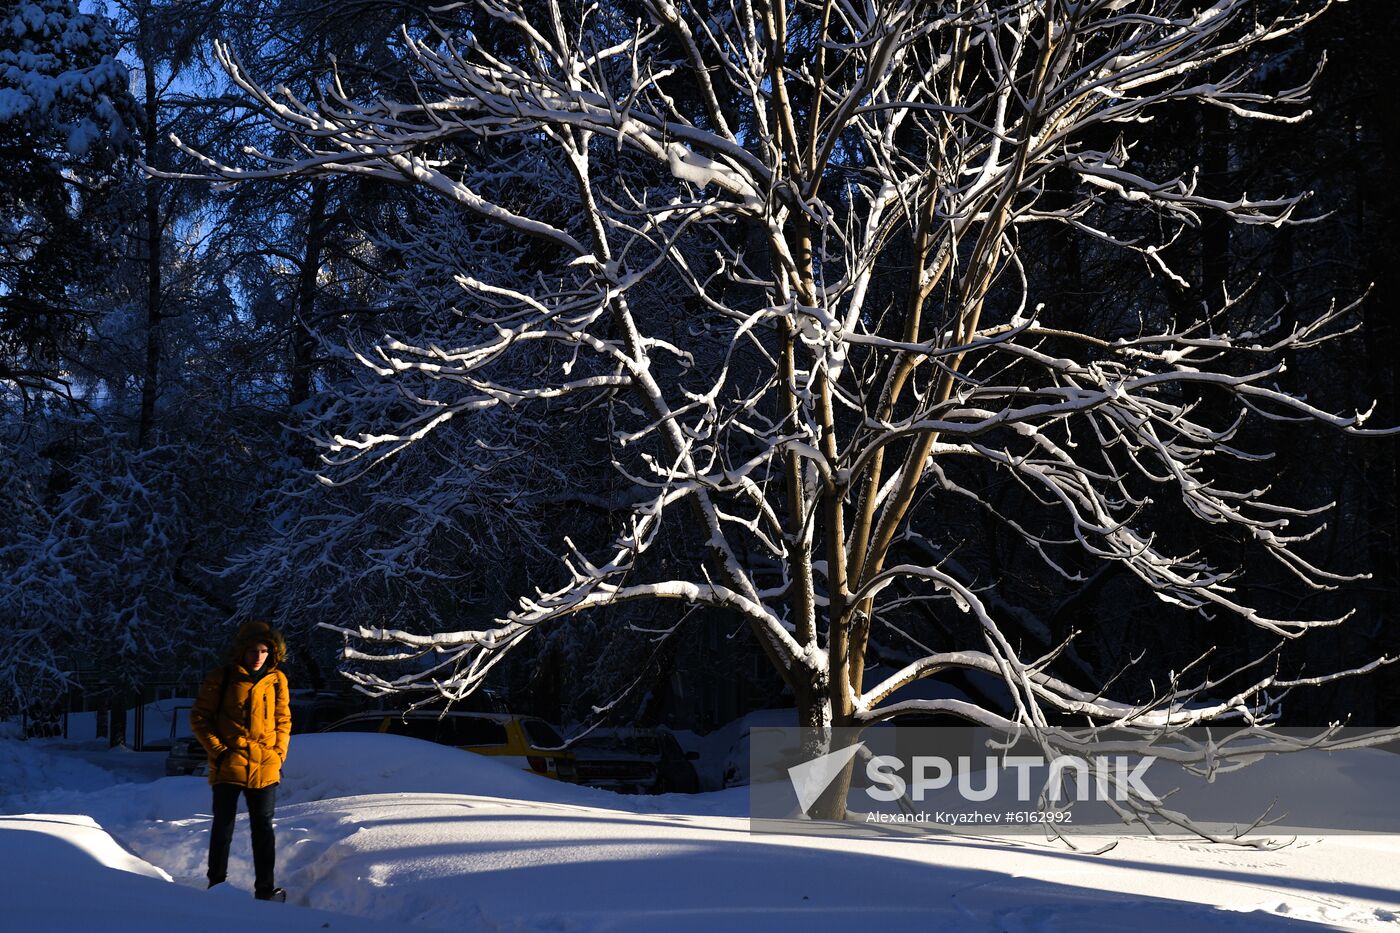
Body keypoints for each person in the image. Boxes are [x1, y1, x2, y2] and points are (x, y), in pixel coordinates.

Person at [189, 620, 292, 901]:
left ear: (271, 652)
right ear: (241, 651)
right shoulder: (221, 677)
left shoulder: (277, 680)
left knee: (263, 829)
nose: (258, 656)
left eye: (263, 651)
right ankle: (217, 885)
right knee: (223, 826)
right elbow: (200, 718)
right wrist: (219, 751)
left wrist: (278, 753)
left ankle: (265, 890)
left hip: (265, 765)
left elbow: (283, 720)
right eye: (252, 651)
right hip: (229, 763)